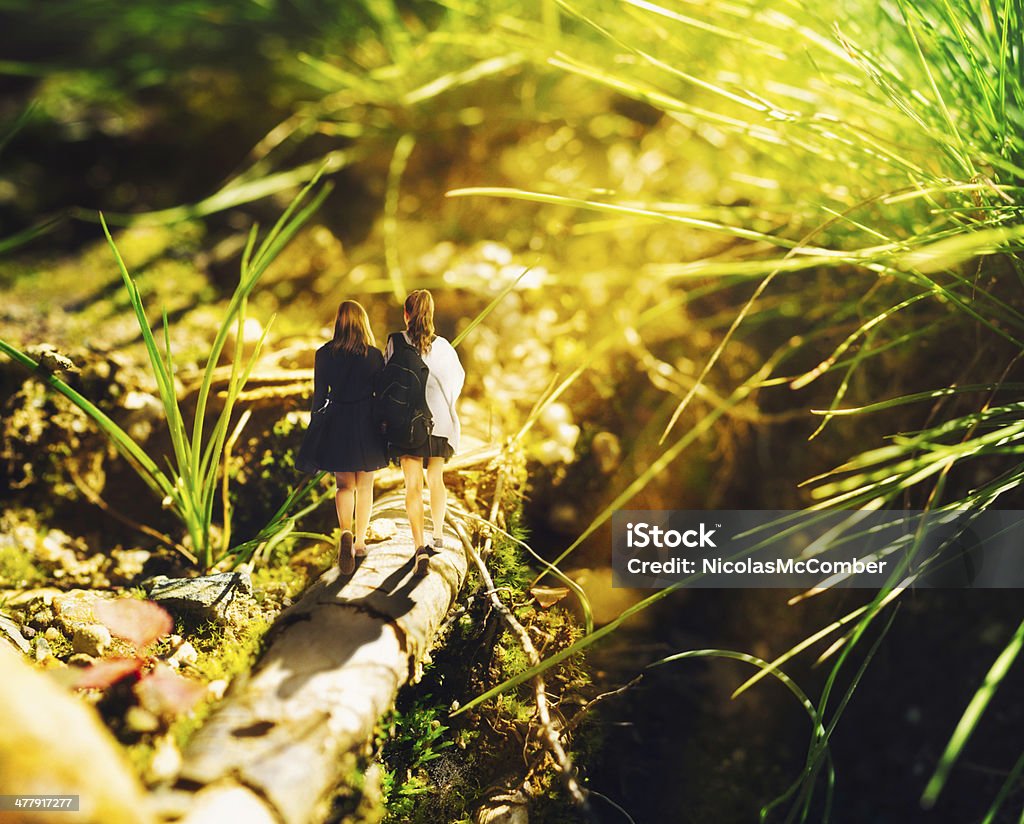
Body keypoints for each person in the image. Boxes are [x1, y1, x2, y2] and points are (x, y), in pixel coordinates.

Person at [384, 289, 465, 575]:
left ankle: (419, 546)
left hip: (409, 423)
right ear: (431, 314)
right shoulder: (444, 346)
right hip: (439, 422)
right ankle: (439, 536)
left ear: (406, 314)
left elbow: (387, 380)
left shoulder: (395, 341)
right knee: (436, 478)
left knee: (413, 485)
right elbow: (456, 382)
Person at [311, 300, 388, 574]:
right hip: (367, 422)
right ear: (362, 322)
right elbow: (381, 395)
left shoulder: (323, 354)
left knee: (344, 485)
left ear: (338, 323)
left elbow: (319, 396)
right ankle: (360, 541)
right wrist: (383, 424)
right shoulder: (374, 356)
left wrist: (316, 426)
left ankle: (345, 531)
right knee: (365, 485)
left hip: (338, 420)